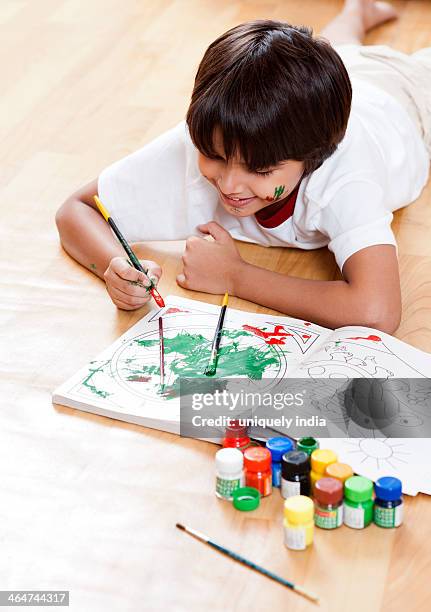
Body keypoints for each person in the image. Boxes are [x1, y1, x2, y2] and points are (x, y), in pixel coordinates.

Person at [55, 0, 431, 332]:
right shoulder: (215, 134)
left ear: (314, 156)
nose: (230, 184)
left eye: (261, 170)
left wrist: (236, 276)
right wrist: (115, 264)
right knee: (343, 53)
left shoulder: (346, 175)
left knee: (378, 61)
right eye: (214, 157)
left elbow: (377, 311)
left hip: (407, 101)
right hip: (338, 82)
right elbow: (77, 209)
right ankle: (357, 10)